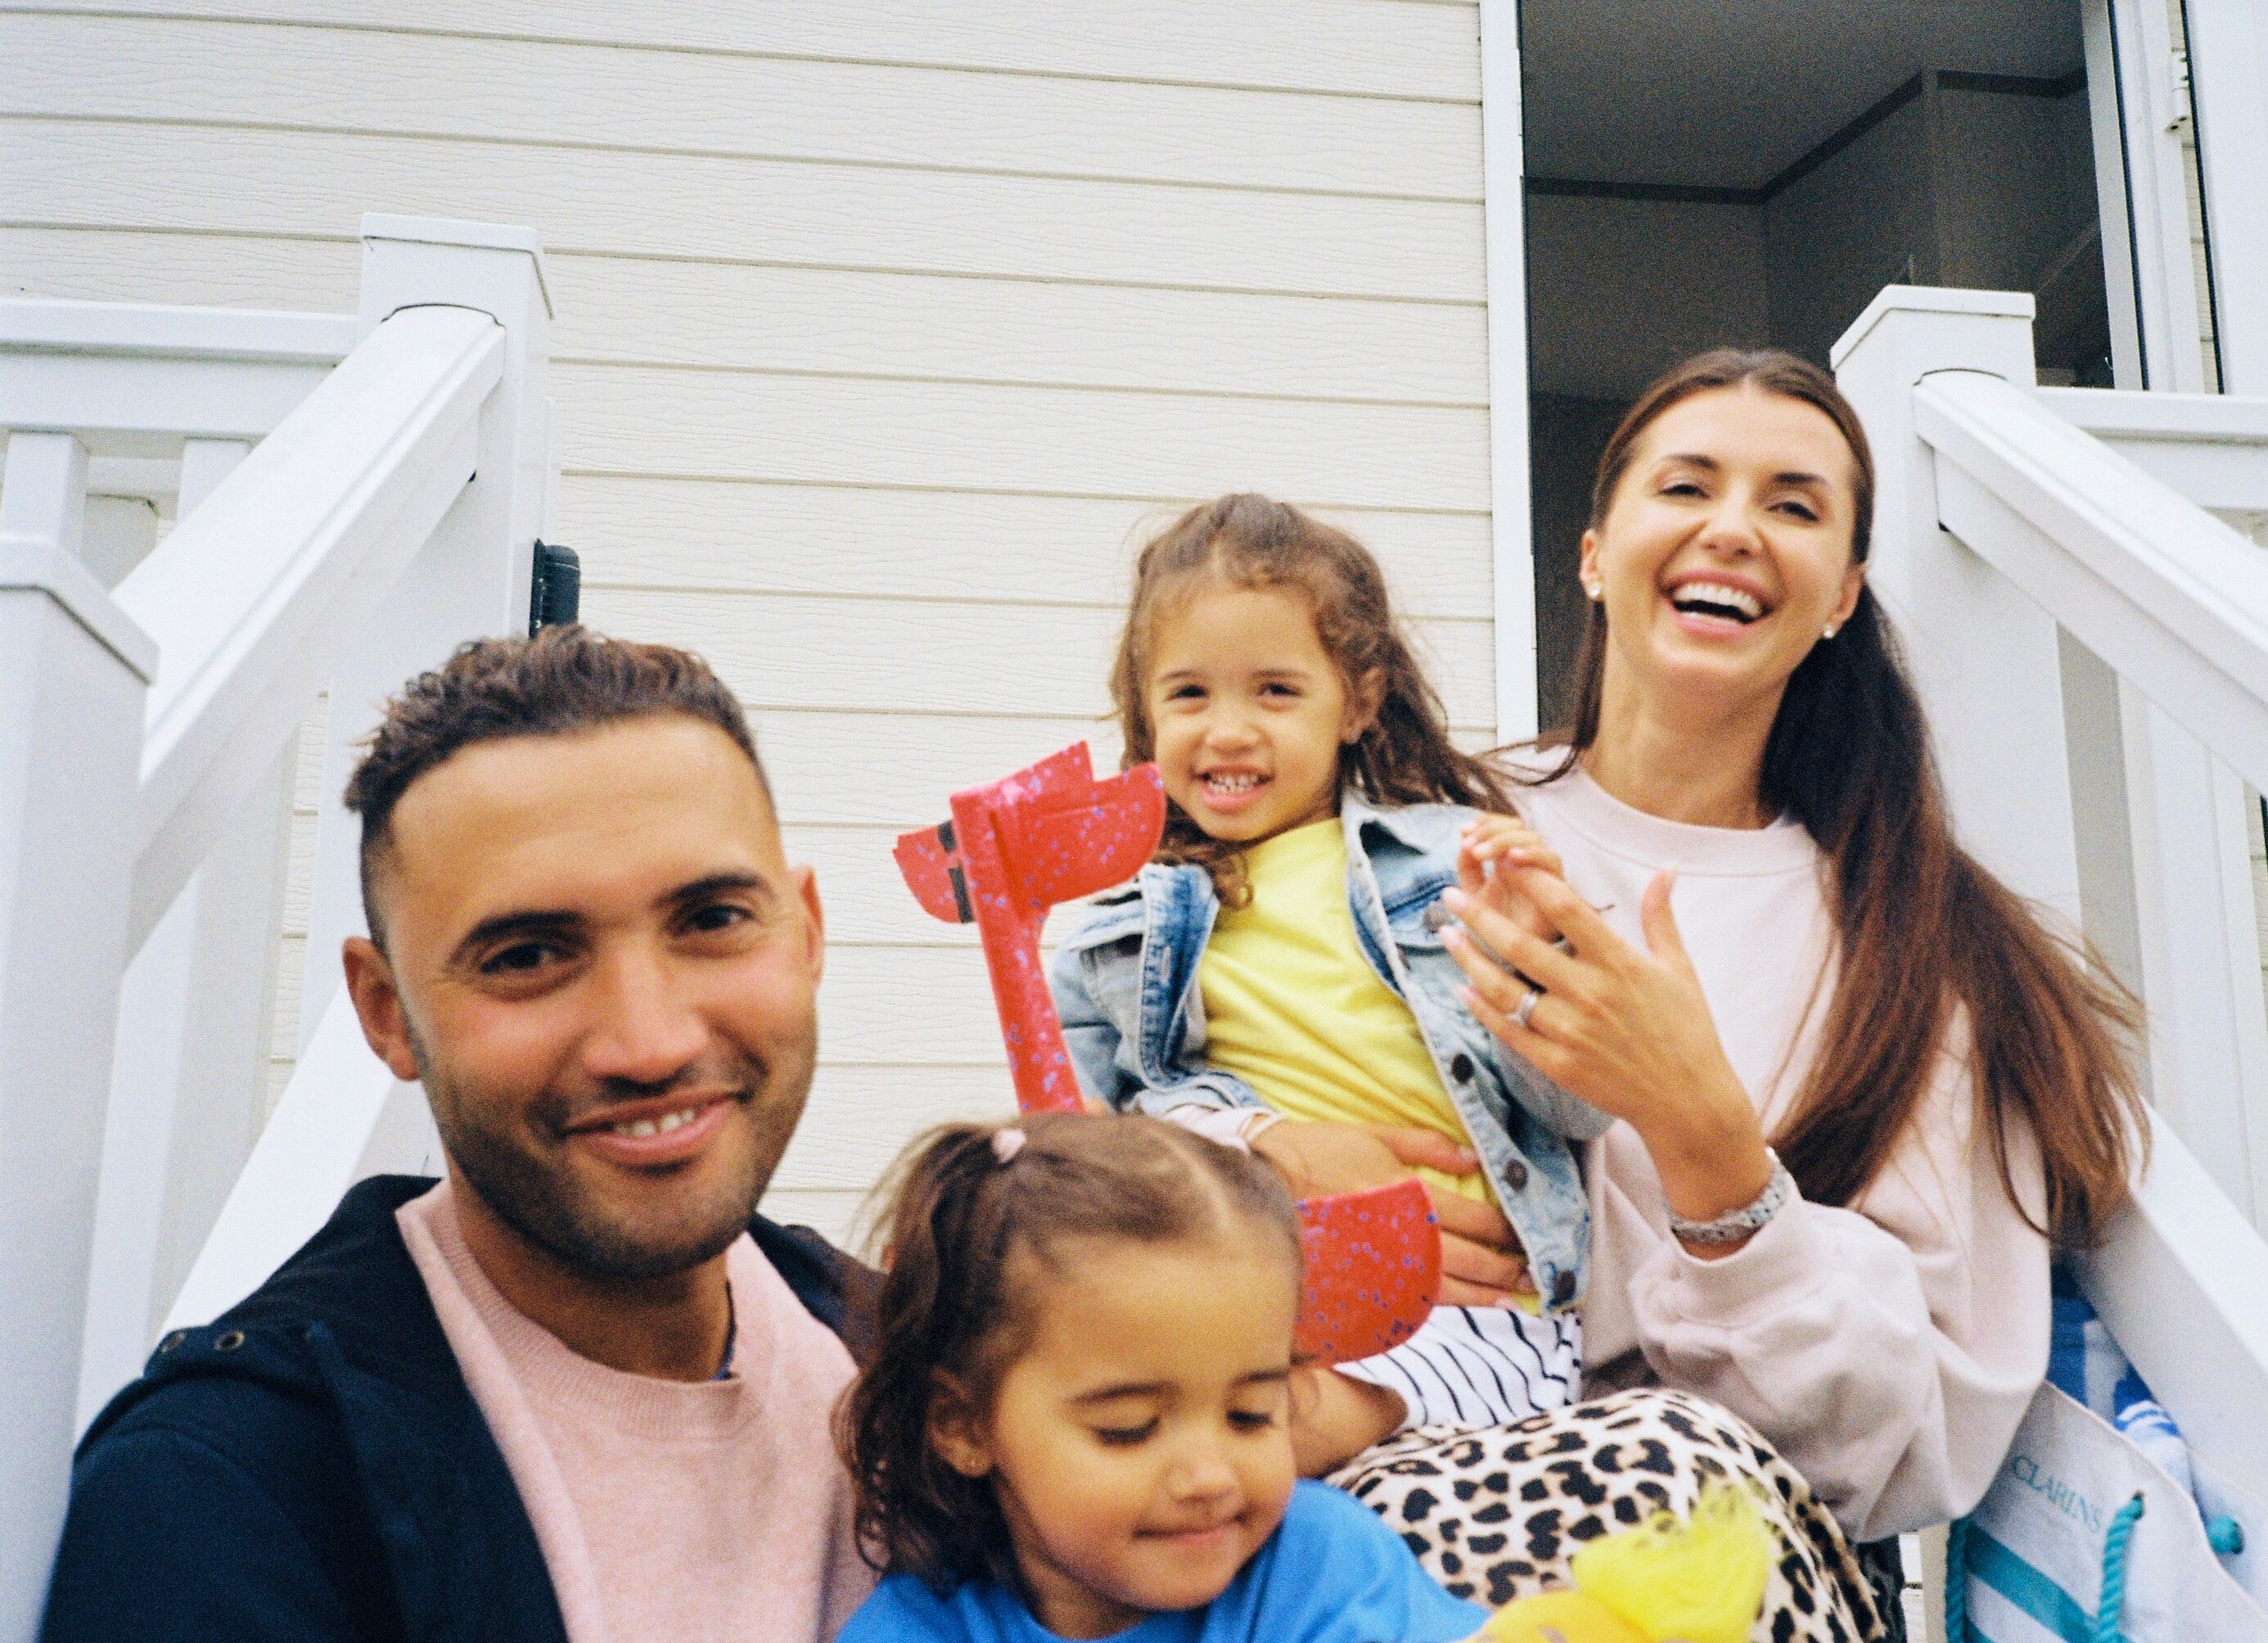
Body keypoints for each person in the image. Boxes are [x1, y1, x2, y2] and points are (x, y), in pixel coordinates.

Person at [1320, 349, 2145, 1631]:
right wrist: (1274, 1159)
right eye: (1688, 485)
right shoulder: (1412, 837)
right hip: (1371, 1477)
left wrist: (1700, 1129)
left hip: (1719, 1541)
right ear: (1595, 553)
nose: (1732, 530)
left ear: (1842, 596)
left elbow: (1914, 1442)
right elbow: (1168, 1100)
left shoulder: (1915, 947)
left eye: (1794, 505)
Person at [43, 630, 880, 1642]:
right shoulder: (227, 1498)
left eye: (710, 919)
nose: (649, 1042)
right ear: (386, 1010)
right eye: (528, 954)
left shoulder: (922, 1365)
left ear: (807, 932)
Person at [1049, 494, 1612, 1473]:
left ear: (1356, 700)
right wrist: (1255, 1138)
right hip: (1244, 1314)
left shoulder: (1451, 863)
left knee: (1249, 1437)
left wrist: (1536, 969)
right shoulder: (1111, 935)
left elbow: (1583, 1108)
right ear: (1144, 708)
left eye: (1275, 691)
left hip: (1464, 1324)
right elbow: (1079, 1157)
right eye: (1189, 695)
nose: (1227, 731)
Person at [832, 1112, 1489, 1643]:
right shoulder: (921, 1625)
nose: (1210, 1476)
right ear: (964, 1425)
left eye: (1252, 1413)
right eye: (1130, 1429)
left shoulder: (1320, 1564)